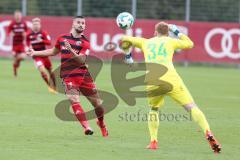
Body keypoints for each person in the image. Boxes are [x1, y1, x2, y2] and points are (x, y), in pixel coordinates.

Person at [120, 22, 221, 153]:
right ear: (168, 32)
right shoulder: (171, 41)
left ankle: (153, 142)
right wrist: (177, 31)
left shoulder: (146, 42)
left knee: (154, 109)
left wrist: (128, 57)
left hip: (153, 80)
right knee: (191, 107)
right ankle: (208, 132)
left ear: (155, 32)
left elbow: (125, 39)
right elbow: (190, 43)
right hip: (171, 79)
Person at [26, 16, 108, 137]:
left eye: (83, 23)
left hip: (84, 76)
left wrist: (71, 50)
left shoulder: (85, 42)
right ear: (73, 24)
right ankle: (86, 127)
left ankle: (101, 124)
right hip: (68, 76)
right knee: (74, 99)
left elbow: (81, 60)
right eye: (79, 22)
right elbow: (53, 52)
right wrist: (35, 52)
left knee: (98, 105)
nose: (81, 25)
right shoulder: (62, 38)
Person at [26, 18, 56, 93]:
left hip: (45, 55)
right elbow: (27, 43)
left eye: (37, 24)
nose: (36, 26)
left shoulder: (43, 33)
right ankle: (50, 86)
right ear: (32, 25)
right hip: (36, 56)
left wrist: (42, 40)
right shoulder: (29, 35)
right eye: (34, 24)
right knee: (42, 71)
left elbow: (49, 43)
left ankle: (54, 86)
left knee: (51, 72)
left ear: (40, 25)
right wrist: (28, 47)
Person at [8, 10, 28, 77]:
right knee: (15, 59)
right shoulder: (12, 24)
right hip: (14, 45)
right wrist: (11, 33)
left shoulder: (23, 23)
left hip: (21, 44)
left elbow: (27, 31)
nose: (18, 17)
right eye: (16, 15)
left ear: (21, 16)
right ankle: (15, 71)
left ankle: (17, 63)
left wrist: (25, 34)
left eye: (19, 15)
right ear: (14, 16)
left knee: (23, 57)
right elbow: (8, 31)